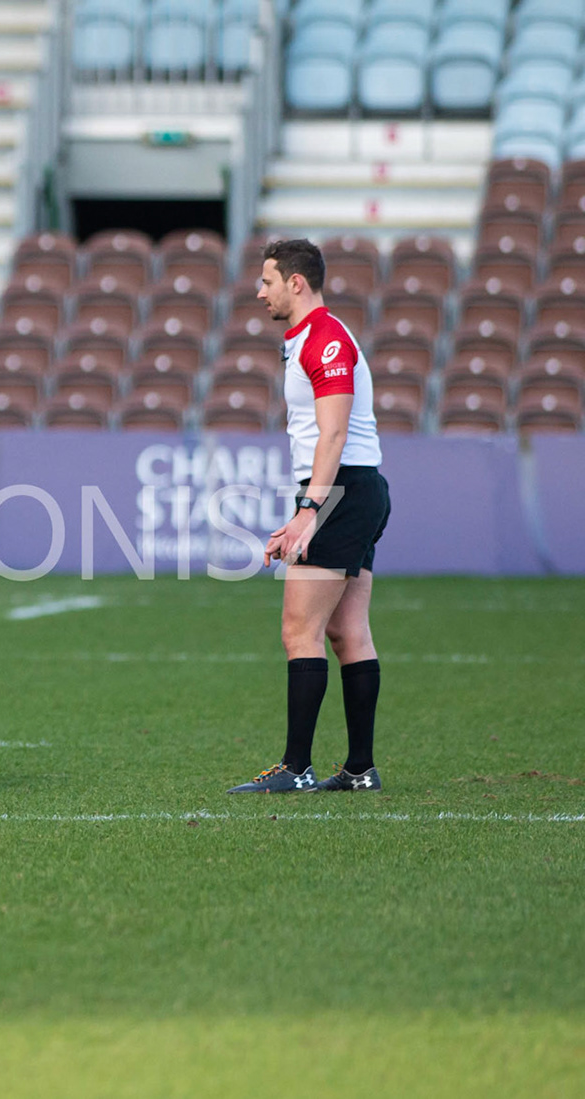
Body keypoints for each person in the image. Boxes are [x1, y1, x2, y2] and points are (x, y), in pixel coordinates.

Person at [229, 238, 390, 794]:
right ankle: (360, 769)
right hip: (355, 490)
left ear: (296, 282)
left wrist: (308, 510)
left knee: (300, 629)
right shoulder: (306, 338)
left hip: (341, 490)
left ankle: (296, 768)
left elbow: (335, 432)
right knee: (349, 632)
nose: (260, 290)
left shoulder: (324, 340)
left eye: (268, 280)